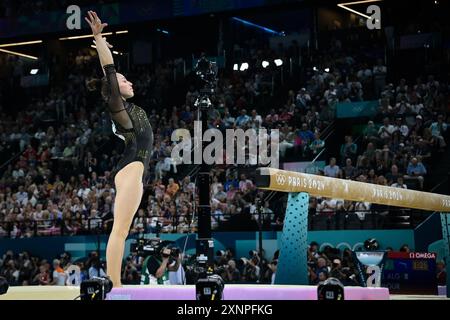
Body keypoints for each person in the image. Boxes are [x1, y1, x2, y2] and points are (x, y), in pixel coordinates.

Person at [85, 11, 154, 287]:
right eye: (125, 81)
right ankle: (114, 285)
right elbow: (109, 70)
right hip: (130, 169)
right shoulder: (118, 105)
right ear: (114, 89)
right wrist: (99, 39)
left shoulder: (130, 109)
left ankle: (114, 282)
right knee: (120, 230)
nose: (130, 83)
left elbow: (112, 75)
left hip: (133, 170)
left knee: (123, 229)